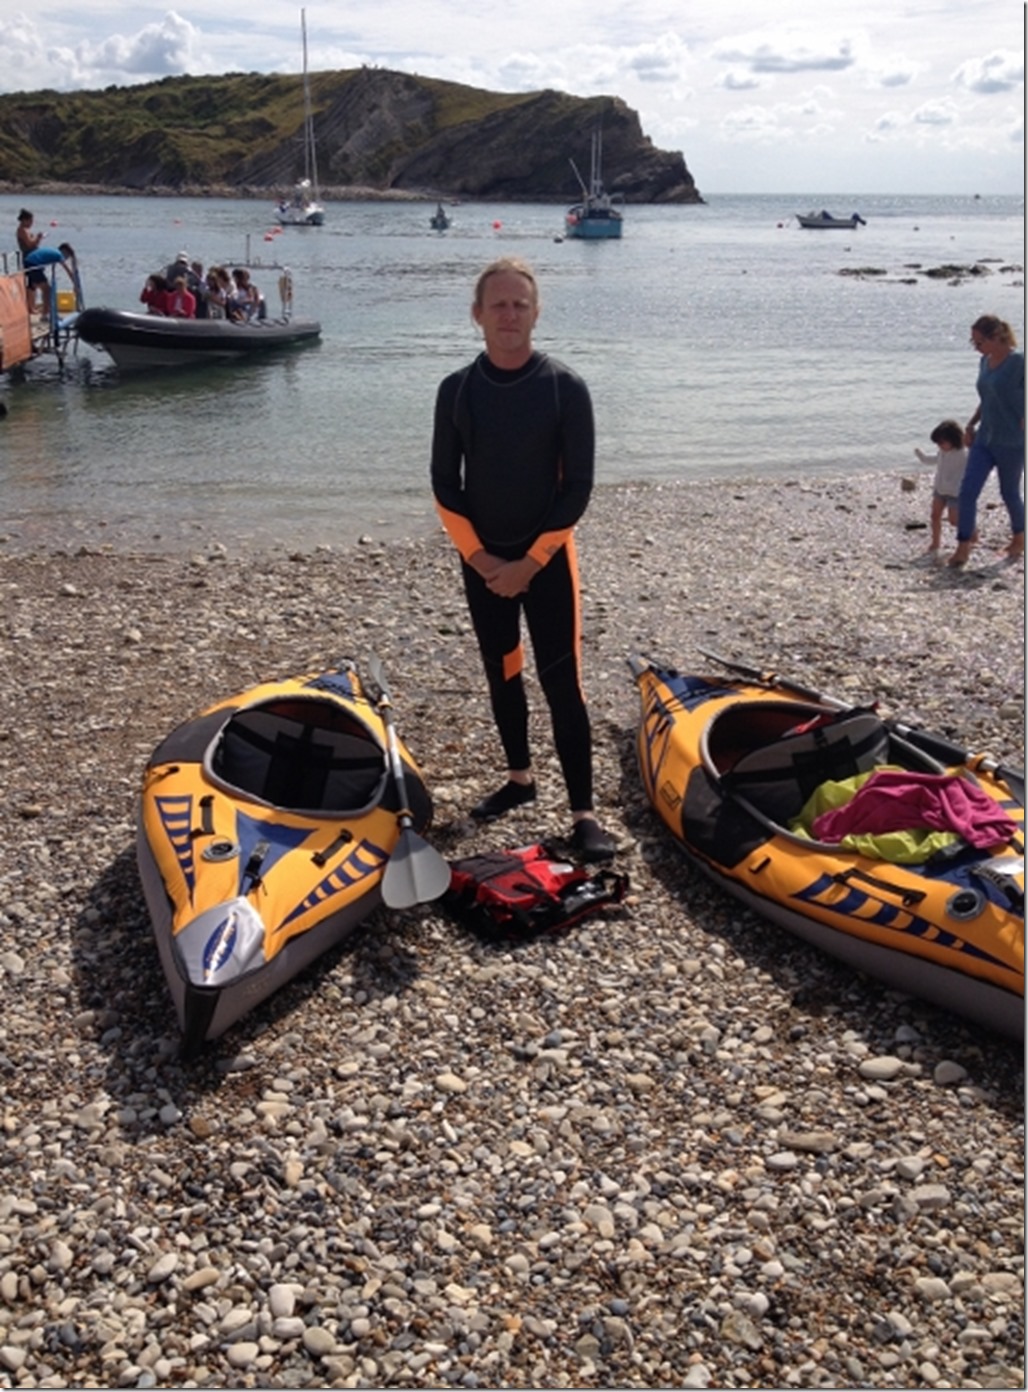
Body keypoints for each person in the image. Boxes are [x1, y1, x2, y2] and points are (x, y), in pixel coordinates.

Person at [430, 256, 615, 862]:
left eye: (521, 304)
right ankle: (519, 778)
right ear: (477, 315)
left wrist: (528, 564)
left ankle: (584, 813)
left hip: (548, 562)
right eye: (499, 304)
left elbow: (577, 488)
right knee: (502, 671)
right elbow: (444, 485)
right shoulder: (456, 390)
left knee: (563, 681)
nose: (510, 314)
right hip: (482, 561)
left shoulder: (565, 388)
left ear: (536, 313)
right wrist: (483, 560)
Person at [948, 315, 1025, 567]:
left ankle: (1019, 538)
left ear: (996, 337)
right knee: (967, 492)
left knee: (1009, 493)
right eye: (973, 342)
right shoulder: (984, 362)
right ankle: (963, 546)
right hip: (984, 438)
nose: (976, 347)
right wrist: (970, 424)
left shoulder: (1018, 362)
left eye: (979, 341)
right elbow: (987, 398)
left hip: (1012, 441)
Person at [914, 419, 968, 552]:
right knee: (935, 516)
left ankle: (970, 531)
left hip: (956, 492)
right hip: (940, 489)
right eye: (937, 443)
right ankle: (936, 542)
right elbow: (931, 460)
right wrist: (921, 456)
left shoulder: (963, 453)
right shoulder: (942, 452)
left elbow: (974, 466)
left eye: (942, 442)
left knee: (954, 520)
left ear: (954, 439)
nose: (939, 445)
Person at [16, 209, 48, 317]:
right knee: (38, 284)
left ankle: (31, 307)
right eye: (30, 221)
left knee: (31, 285)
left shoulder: (26, 230)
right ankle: (35, 308)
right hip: (30, 260)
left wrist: (38, 238)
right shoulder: (22, 230)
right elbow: (30, 244)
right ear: (25, 220)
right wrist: (38, 238)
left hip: (33, 258)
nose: (31, 223)